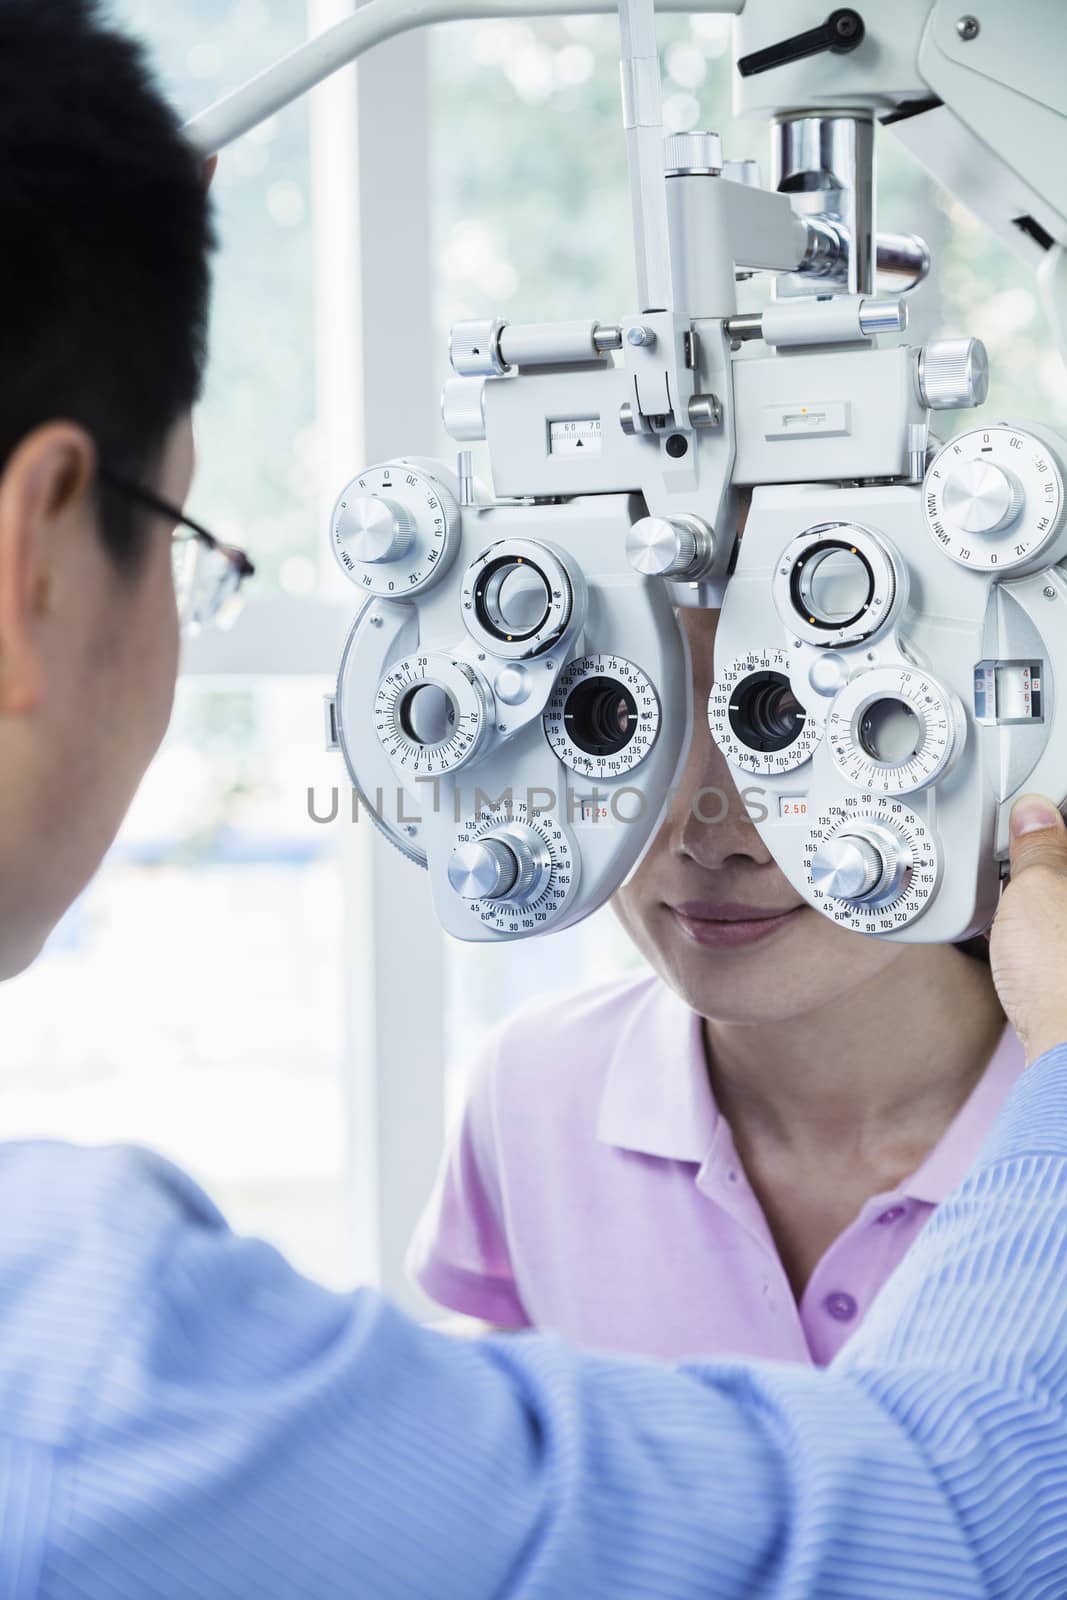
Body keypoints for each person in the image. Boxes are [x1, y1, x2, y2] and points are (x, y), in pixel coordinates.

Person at [2, 2, 1067, 1596]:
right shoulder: (84, 1363)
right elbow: (947, 1527)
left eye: (778, 716)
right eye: (178, 539)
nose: (707, 813)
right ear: (36, 549)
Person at [409, 605, 1018, 1363]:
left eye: (793, 718)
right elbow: (516, 1413)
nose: (710, 837)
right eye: (621, 724)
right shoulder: (535, 1084)